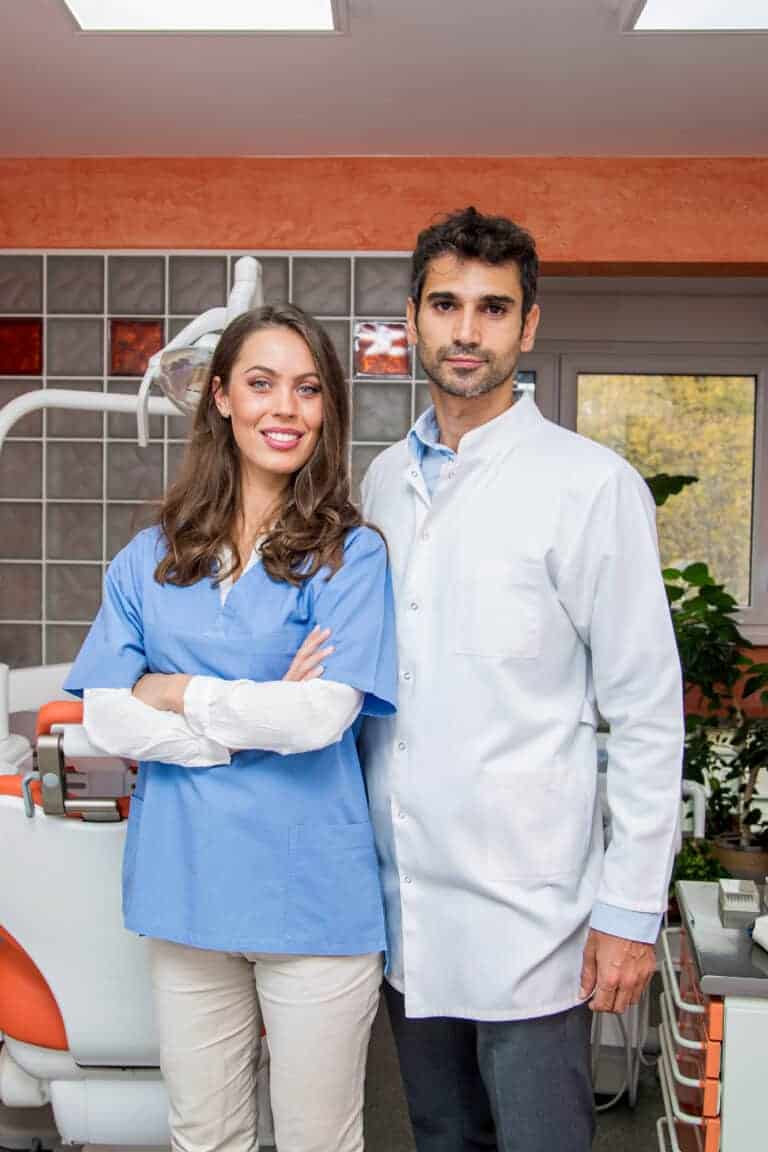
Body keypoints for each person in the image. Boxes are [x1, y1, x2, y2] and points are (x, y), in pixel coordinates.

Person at [359, 207, 684, 1152]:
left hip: (534, 918)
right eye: (447, 304)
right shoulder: (382, 482)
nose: (467, 331)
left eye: (494, 309)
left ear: (528, 326)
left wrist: (626, 913)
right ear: (413, 316)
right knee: (438, 1136)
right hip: (407, 910)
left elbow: (648, 715)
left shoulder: (589, 486)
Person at [63, 303, 398, 1152]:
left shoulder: (349, 554)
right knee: (204, 1136)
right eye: (261, 384)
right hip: (189, 891)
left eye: (308, 389)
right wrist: (243, 720)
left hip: (313, 901)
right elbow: (105, 715)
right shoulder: (150, 556)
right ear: (218, 397)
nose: (285, 409)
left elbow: (322, 713)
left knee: (318, 1141)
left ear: (327, 411)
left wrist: (174, 690)